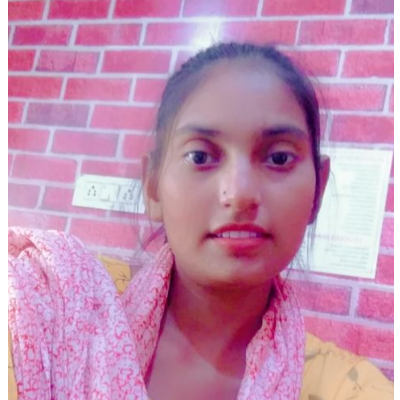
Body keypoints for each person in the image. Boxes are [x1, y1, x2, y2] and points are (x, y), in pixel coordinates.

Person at [8, 42, 393, 400]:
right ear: (154, 187)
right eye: (200, 157)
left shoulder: (352, 390)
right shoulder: (51, 311)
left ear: (318, 191)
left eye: (278, 158)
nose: (239, 193)